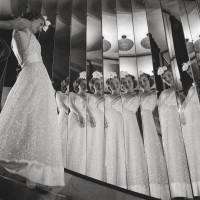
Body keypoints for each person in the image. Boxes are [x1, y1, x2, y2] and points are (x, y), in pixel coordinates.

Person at [0, 12, 65, 189]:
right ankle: (28, 171)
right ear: (33, 17)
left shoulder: (28, 30)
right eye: (40, 23)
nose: (40, 27)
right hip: (33, 73)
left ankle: (32, 172)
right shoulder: (23, 23)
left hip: (39, 76)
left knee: (35, 120)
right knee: (28, 116)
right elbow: (5, 24)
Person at [157, 66, 192, 198]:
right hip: (167, 131)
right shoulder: (162, 94)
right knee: (171, 157)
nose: (167, 79)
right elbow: (159, 115)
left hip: (180, 129)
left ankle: (187, 189)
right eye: (164, 78)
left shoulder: (183, 91)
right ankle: (175, 190)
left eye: (169, 76)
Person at [139, 72, 170, 199]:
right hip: (146, 131)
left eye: (144, 80)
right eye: (140, 82)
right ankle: (155, 191)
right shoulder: (139, 97)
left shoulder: (157, 94)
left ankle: (166, 190)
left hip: (157, 127)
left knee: (162, 156)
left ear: (149, 80)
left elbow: (162, 112)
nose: (142, 83)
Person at [120, 71, 149, 195]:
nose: (127, 84)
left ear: (134, 82)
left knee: (135, 155)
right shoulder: (119, 97)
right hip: (121, 129)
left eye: (129, 82)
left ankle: (139, 188)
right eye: (124, 83)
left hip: (136, 129)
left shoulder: (140, 96)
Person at [180, 61, 200, 197]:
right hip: (190, 125)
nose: (190, 74)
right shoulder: (192, 87)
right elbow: (184, 103)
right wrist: (181, 112)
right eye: (188, 73)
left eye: (191, 71)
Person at [104, 72, 127, 189]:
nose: (115, 85)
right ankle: (112, 181)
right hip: (111, 130)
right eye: (112, 84)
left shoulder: (126, 97)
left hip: (124, 128)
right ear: (109, 87)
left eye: (117, 83)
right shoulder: (106, 98)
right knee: (112, 153)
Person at [86, 71, 106, 181]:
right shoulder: (89, 96)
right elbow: (84, 107)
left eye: (102, 84)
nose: (100, 86)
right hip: (91, 126)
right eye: (97, 84)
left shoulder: (108, 97)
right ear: (93, 85)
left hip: (103, 127)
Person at [66, 71, 87, 175]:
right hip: (75, 118)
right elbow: (70, 105)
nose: (84, 86)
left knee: (82, 144)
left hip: (84, 121)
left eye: (86, 85)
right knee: (73, 142)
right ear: (78, 85)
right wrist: (79, 114)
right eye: (82, 84)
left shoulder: (88, 97)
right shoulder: (72, 94)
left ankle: (80, 167)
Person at [56, 77, 70, 168]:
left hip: (71, 120)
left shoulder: (73, 95)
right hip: (63, 118)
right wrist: (74, 113)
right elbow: (61, 105)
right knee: (60, 140)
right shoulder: (59, 93)